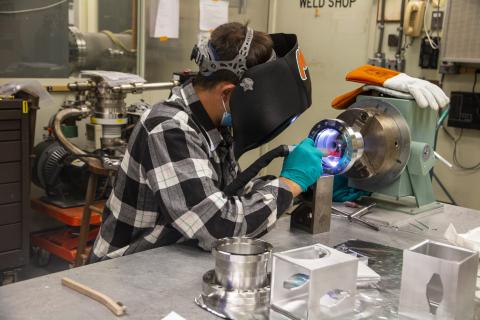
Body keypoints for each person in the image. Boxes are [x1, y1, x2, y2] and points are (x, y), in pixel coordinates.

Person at [90, 22, 322, 262]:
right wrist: (290, 183)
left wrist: (300, 186)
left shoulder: (214, 124)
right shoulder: (169, 128)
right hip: (123, 271)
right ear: (227, 93)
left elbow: (229, 196)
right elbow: (218, 227)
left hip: (169, 260)